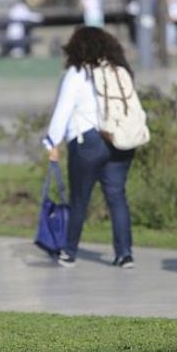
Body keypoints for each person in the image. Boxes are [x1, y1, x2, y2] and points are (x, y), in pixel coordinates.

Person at [42, 27, 138, 268]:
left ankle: (69, 251)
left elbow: (62, 111)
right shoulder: (118, 70)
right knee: (117, 197)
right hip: (120, 142)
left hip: (88, 143)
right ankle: (124, 254)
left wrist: (52, 142)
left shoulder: (76, 73)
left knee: (79, 199)